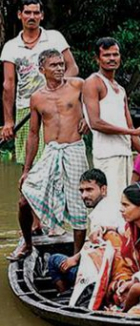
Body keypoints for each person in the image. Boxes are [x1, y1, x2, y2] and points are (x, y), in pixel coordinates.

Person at [11, 49, 89, 261]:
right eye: (54, 65)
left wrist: (88, 119)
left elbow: (98, 101)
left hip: (74, 149)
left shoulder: (77, 85)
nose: (60, 68)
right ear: (41, 69)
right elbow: (34, 134)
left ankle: (76, 257)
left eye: (61, 64)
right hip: (51, 151)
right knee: (24, 199)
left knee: (78, 203)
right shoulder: (37, 97)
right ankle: (27, 244)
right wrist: (26, 170)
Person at [1, 0, 79, 166]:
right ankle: (26, 192)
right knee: (29, 164)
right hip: (25, 109)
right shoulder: (11, 47)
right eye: (27, 12)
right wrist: (8, 121)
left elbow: (72, 68)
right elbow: (8, 84)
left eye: (36, 13)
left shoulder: (55, 38)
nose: (32, 17)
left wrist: (56, 89)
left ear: (42, 16)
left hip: (56, 107)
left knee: (57, 160)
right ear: (19, 15)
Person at [82, 37, 140, 202]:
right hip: (107, 155)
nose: (111, 59)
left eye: (115, 55)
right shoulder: (93, 82)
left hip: (125, 153)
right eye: (106, 55)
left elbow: (130, 126)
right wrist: (129, 131)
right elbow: (95, 123)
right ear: (97, 58)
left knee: (126, 203)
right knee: (109, 203)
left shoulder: (121, 89)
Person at [47, 168, 126, 293]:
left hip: (102, 273)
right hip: (116, 267)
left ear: (103, 190)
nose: (84, 195)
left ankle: (67, 297)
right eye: (82, 191)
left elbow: (97, 247)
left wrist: (74, 259)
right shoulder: (115, 206)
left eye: (89, 190)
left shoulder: (101, 214)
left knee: (52, 260)